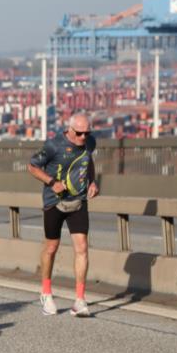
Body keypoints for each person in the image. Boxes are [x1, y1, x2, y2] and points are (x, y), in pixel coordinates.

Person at [27, 112, 99, 317]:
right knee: (51, 247)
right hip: (54, 203)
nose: (83, 137)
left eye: (87, 133)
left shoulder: (89, 143)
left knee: (82, 247)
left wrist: (92, 182)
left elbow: (88, 162)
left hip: (78, 201)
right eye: (79, 133)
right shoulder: (53, 145)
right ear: (69, 129)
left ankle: (80, 301)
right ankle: (46, 293)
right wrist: (51, 182)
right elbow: (32, 166)